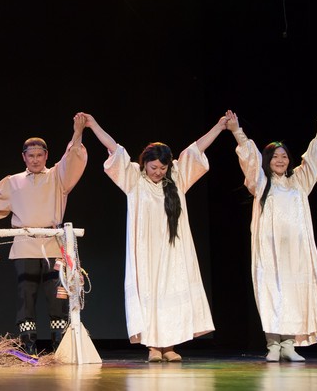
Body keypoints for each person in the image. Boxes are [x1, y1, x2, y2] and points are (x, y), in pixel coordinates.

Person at [80, 111, 225, 363]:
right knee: (149, 292)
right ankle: (153, 347)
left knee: (171, 291)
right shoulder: (133, 179)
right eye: (153, 167)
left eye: (162, 168)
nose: (158, 172)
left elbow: (195, 150)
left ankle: (169, 346)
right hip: (145, 251)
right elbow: (115, 150)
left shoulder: (177, 178)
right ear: (144, 163)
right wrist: (92, 125)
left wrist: (220, 126)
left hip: (173, 249)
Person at [0, 114, 88, 355]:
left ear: (46, 156)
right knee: (26, 297)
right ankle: (28, 346)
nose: (35, 160)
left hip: (53, 244)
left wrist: (78, 132)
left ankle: (58, 347)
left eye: (40, 155)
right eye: (31, 156)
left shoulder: (58, 177)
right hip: (25, 245)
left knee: (57, 297)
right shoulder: (13, 182)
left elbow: (72, 158)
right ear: (24, 157)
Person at [226, 109, 317, 362]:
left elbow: (314, 159)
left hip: (296, 251)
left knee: (294, 292)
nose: (280, 160)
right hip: (269, 250)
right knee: (271, 291)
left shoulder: (299, 182)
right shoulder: (261, 182)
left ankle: (289, 344)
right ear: (268, 160)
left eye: (284, 156)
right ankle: (273, 344)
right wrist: (237, 131)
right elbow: (250, 158)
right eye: (275, 156)